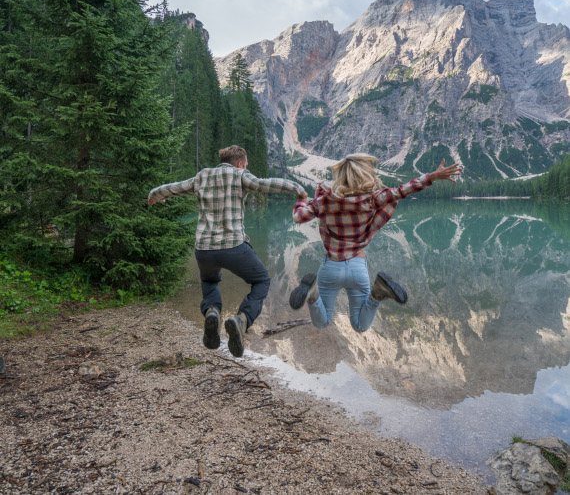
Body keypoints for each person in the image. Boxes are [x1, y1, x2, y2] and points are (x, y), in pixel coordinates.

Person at [148, 145, 307, 357]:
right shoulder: (240, 175)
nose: (247, 166)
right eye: (246, 164)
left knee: (210, 282)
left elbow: (176, 187)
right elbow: (264, 185)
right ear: (240, 163)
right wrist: (297, 188)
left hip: (204, 248)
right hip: (234, 247)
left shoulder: (202, 176)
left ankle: (212, 312)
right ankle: (242, 319)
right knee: (261, 280)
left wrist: (155, 195)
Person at [290, 154, 461, 333]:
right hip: (357, 268)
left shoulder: (323, 201)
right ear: (366, 175)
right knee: (360, 325)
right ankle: (378, 293)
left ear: (340, 176)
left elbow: (298, 217)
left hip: (331, 267)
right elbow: (402, 190)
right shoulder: (373, 198)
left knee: (322, 322)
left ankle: (312, 295)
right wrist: (432, 176)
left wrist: (301, 199)